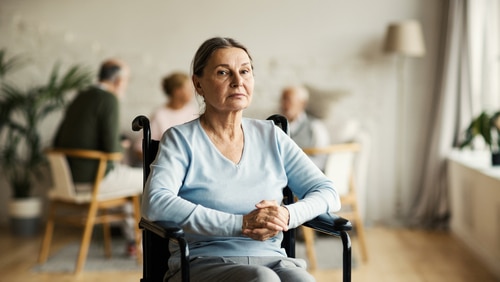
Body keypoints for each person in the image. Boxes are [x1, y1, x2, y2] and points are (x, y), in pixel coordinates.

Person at [142, 37, 341, 282]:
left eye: (245, 71)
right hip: (203, 262)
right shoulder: (180, 139)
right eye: (223, 72)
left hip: (273, 258)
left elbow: (328, 192)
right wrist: (241, 223)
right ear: (199, 84)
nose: (238, 82)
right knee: (262, 279)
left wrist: (287, 215)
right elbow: (155, 203)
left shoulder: (271, 135)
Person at [53, 58, 143, 257]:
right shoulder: (108, 99)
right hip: (95, 180)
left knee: (126, 182)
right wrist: (123, 145)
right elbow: (113, 151)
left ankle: (132, 241)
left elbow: (56, 140)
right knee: (149, 177)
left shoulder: (80, 96)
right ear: (119, 81)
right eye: (127, 80)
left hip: (68, 181)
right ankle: (147, 244)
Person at [133, 71, 198, 156]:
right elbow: (140, 149)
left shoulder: (192, 111)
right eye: (189, 89)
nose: (192, 92)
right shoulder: (160, 114)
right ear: (177, 91)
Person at [280, 85, 330, 170]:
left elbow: (322, 160)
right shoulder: (276, 126)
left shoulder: (315, 127)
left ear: (302, 103)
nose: (284, 104)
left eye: (289, 100)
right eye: (283, 100)